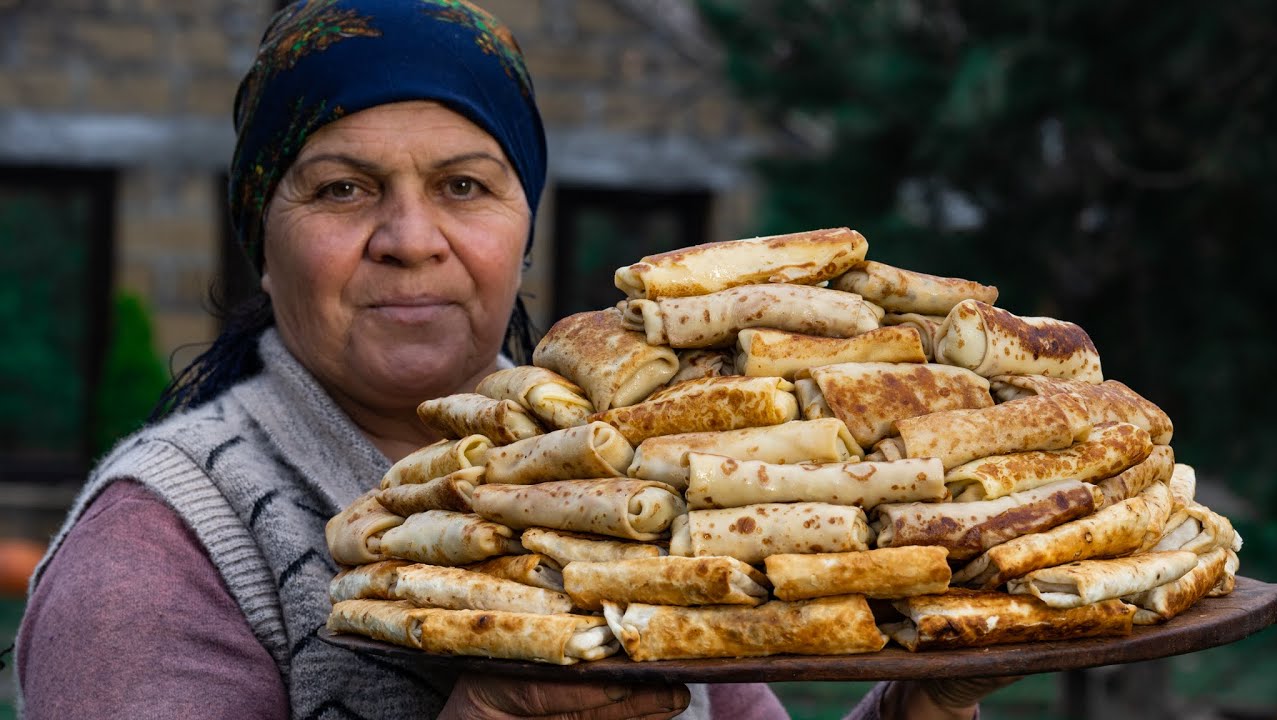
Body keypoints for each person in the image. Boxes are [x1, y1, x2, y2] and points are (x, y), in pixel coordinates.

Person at [16, 1, 1013, 718]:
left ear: (521, 230)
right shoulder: (160, 550)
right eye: (343, 190)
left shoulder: (631, 469)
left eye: (461, 185)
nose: (411, 238)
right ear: (262, 247)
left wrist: (919, 707)